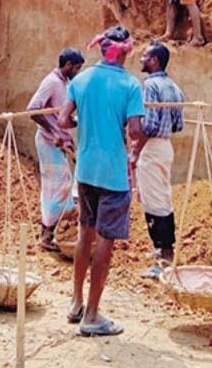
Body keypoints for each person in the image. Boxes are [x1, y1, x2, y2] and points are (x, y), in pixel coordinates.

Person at [58, 25, 146, 337]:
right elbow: (136, 131)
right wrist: (130, 128)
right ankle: (92, 316)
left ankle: (76, 302)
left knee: (85, 234)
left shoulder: (80, 80)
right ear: (124, 52)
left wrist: (86, 121)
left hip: (86, 170)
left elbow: (63, 120)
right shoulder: (130, 85)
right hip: (112, 175)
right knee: (105, 241)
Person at [132, 41, 185, 279]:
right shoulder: (174, 87)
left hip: (152, 149)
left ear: (154, 61)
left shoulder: (150, 85)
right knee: (163, 197)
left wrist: (135, 151)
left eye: (144, 56)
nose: (141, 59)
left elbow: (150, 125)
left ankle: (164, 257)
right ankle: (163, 251)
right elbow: (178, 124)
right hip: (166, 147)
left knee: (154, 202)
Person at [27, 48, 85, 250]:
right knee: (56, 185)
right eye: (76, 68)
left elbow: (61, 118)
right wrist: (55, 133)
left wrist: (74, 124)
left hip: (57, 141)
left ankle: (53, 231)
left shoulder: (64, 84)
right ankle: (47, 234)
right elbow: (34, 110)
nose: (77, 72)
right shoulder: (51, 82)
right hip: (47, 141)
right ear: (67, 65)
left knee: (64, 183)